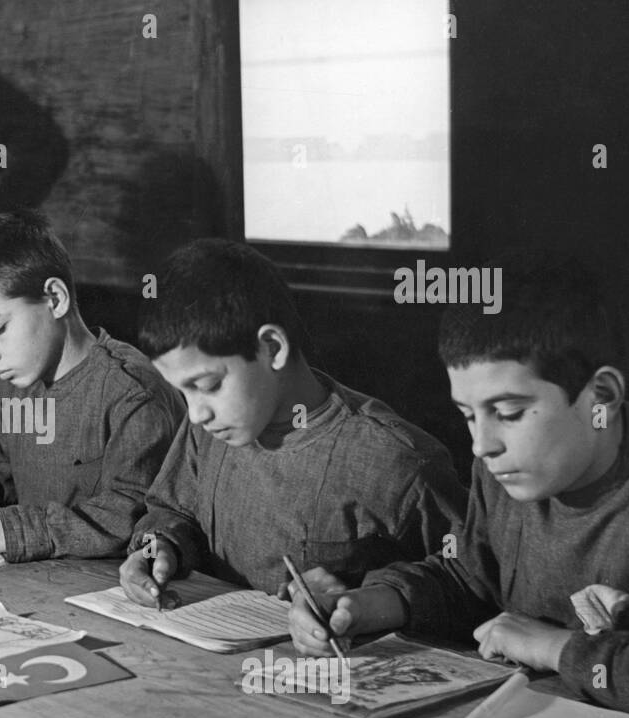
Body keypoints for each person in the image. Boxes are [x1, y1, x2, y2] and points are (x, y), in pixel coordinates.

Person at [289, 258, 629, 717]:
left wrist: (554, 648)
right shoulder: (507, 468)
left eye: (511, 413)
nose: (482, 445)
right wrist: (362, 606)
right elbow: (470, 577)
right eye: (468, 414)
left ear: (601, 395)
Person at [120, 239, 466, 605]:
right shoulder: (209, 428)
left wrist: (373, 597)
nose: (195, 413)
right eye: (182, 392)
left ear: (272, 347)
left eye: (207, 385)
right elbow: (173, 510)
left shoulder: (394, 461)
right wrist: (158, 547)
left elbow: (471, 578)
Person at [0, 210, 186, 562]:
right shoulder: (18, 379)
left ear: (55, 299)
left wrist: (0, 532)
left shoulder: (131, 393)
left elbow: (133, 515)